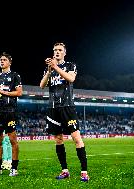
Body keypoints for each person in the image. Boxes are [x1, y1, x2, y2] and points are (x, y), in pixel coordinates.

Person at [39, 42, 89, 182]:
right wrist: (50, 70)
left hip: (67, 107)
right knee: (58, 139)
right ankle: (65, 170)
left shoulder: (70, 66)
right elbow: (42, 85)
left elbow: (71, 79)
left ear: (64, 53)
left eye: (60, 50)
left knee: (76, 139)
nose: (57, 52)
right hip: (53, 108)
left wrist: (56, 67)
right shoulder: (49, 69)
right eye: (55, 50)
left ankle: (84, 172)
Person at [0, 52, 23, 176]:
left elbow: (19, 93)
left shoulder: (15, 76)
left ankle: (14, 168)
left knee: (13, 140)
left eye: (4, 60)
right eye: (0, 60)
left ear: (9, 62)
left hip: (10, 112)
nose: (1, 61)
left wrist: (3, 92)